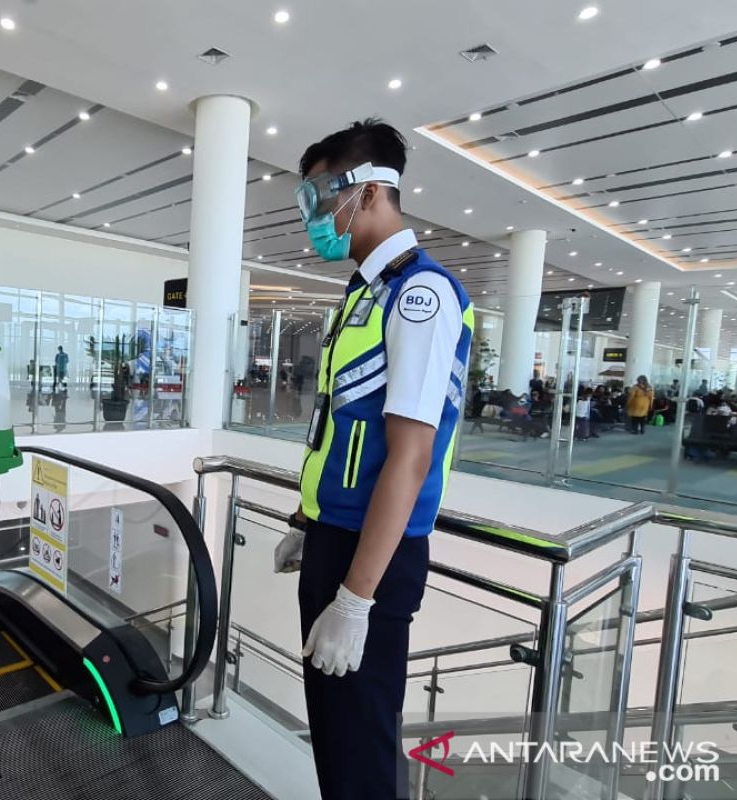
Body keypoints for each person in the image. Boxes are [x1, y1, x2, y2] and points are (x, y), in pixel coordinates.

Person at [271, 120, 472, 800]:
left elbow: (409, 457)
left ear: (370, 192)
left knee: (361, 748)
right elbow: (344, 428)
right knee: (333, 733)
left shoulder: (421, 294)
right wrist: (308, 517)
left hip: (373, 561)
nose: (314, 218)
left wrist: (355, 600)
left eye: (321, 198)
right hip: (336, 539)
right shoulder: (364, 291)